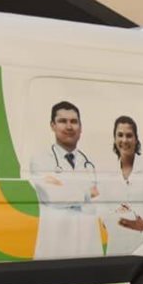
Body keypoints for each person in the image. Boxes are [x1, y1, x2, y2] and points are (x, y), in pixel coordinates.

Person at [29, 100, 102, 258]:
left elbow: (101, 199)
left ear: (80, 127)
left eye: (74, 122)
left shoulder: (89, 163)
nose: (69, 127)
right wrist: (87, 193)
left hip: (88, 249)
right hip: (55, 248)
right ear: (53, 125)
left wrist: (65, 187)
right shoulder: (41, 159)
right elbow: (53, 196)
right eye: (63, 121)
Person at [101, 116, 143, 256]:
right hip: (116, 248)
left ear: (136, 139)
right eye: (120, 135)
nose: (124, 140)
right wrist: (115, 214)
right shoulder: (107, 173)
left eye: (129, 135)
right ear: (114, 139)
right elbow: (103, 212)